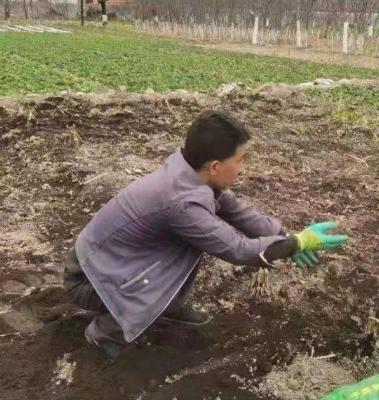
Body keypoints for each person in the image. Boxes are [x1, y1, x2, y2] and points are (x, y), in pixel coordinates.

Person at [64, 110, 348, 359]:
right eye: (240, 159)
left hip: (105, 261)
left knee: (179, 250)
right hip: (89, 279)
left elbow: (239, 212)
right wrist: (297, 243)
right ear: (214, 166)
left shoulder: (190, 174)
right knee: (188, 247)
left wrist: (288, 238)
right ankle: (105, 333)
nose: (243, 168)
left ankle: (162, 308)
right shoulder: (182, 203)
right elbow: (236, 249)